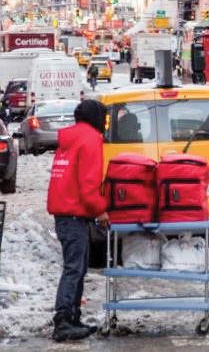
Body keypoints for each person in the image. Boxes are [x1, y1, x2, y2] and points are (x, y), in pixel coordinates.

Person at [46, 100, 109, 342]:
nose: (104, 124)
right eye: (103, 118)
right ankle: (63, 321)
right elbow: (89, 184)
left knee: (78, 267)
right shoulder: (91, 139)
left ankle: (73, 317)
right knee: (74, 269)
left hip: (66, 212)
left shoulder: (71, 138)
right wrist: (101, 210)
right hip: (74, 213)